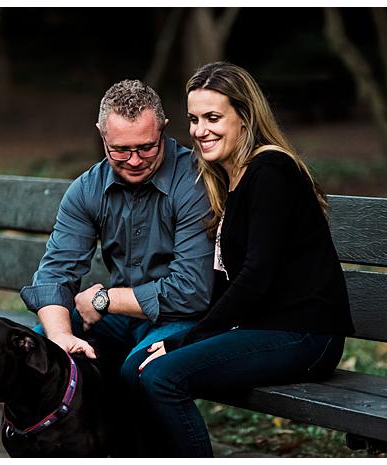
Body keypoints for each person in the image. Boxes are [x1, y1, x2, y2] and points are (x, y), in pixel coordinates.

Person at [131, 62, 355, 457]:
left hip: (305, 334)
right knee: (137, 368)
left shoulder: (271, 171)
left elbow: (255, 277)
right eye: (194, 119)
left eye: (213, 117)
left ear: (245, 117)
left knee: (163, 377)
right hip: (265, 328)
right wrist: (179, 331)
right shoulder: (229, 178)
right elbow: (224, 278)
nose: (200, 131)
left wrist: (188, 339)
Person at [19, 79, 215, 456]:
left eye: (146, 147)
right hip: (125, 314)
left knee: (139, 370)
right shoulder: (86, 189)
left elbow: (192, 290)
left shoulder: (194, 182)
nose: (135, 160)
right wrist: (60, 336)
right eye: (120, 150)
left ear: (164, 128)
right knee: (40, 343)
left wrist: (106, 300)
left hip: (184, 316)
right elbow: (55, 274)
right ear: (101, 135)